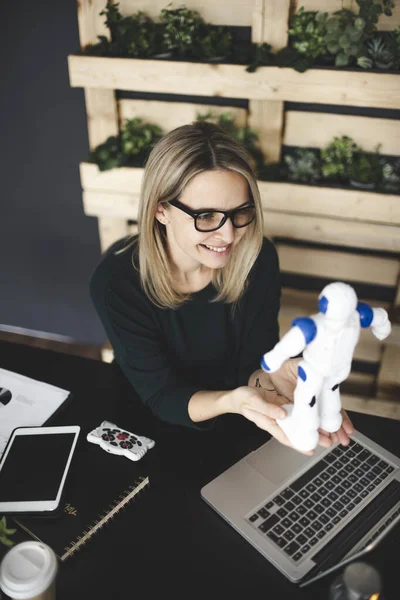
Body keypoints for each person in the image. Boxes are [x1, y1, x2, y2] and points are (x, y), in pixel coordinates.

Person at [90, 120, 354, 454]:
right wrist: (235, 401)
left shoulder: (258, 259)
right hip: (147, 427)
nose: (228, 236)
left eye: (240, 212)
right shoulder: (117, 282)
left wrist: (272, 380)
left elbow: (252, 364)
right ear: (161, 210)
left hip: (241, 412)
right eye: (206, 217)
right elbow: (161, 395)